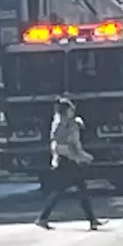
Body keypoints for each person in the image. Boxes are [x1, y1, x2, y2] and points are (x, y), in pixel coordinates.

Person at [35, 98, 103, 231]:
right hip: (66, 161)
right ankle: (42, 218)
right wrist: (81, 157)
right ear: (66, 111)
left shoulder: (68, 122)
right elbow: (61, 146)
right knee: (62, 190)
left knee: (77, 189)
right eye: (71, 109)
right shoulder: (60, 125)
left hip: (70, 161)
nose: (73, 110)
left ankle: (92, 219)